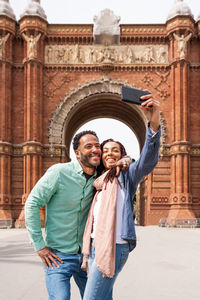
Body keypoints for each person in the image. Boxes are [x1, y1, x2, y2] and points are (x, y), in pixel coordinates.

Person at [25, 130, 131, 300]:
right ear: (77, 152)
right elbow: (32, 203)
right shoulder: (59, 172)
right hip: (58, 256)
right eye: (88, 146)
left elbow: (119, 164)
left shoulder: (100, 177)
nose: (95, 150)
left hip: (88, 256)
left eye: (97, 146)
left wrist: (126, 160)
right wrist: (39, 246)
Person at [81, 94, 161, 300]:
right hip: (94, 248)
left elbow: (147, 160)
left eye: (115, 151)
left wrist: (154, 120)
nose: (110, 154)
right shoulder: (99, 182)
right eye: (105, 150)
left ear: (121, 154)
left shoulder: (127, 175)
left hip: (114, 249)